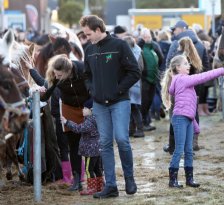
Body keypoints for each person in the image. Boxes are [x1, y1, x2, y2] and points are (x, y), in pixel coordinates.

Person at [79, 15, 140, 198]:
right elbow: (86, 75)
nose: (86, 37)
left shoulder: (119, 46)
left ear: (98, 30)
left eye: (88, 33)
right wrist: (92, 90)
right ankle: (111, 186)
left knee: (122, 139)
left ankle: (129, 179)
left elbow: (134, 72)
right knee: (104, 143)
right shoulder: (89, 50)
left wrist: (117, 90)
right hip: (99, 104)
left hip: (120, 101)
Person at [161, 55, 224, 188]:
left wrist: (194, 124)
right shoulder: (183, 80)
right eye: (185, 64)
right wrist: (222, 71)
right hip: (180, 119)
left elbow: (189, 108)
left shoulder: (183, 82)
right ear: (178, 68)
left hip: (187, 119)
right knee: (179, 149)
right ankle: (172, 180)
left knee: (189, 150)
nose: (189, 66)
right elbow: (203, 77)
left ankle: (189, 179)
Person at [39, 54, 90, 191]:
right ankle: (77, 180)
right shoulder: (55, 74)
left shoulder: (83, 68)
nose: (57, 78)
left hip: (87, 108)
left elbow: (94, 88)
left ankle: (95, 178)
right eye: (55, 74)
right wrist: (41, 92)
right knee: (73, 145)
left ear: (68, 72)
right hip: (69, 108)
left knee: (92, 142)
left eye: (60, 75)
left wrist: (90, 106)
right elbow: (48, 93)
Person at [61, 99, 103, 195]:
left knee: (89, 169)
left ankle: (91, 188)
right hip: (97, 150)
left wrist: (67, 122)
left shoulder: (90, 122)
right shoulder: (96, 119)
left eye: (85, 108)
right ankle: (100, 186)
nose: (82, 110)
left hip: (90, 151)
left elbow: (78, 128)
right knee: (97, 169)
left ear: (91, 110)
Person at [137, 28, 164, 131]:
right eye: (144, 37)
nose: (146, 39)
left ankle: (146, 122)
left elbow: (161, 58)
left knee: (149, 101)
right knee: (143, 102)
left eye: (148, 37)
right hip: (143, 79)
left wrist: (156, 70)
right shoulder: (139, 46)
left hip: (153, 78)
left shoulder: (155, 45)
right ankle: (142, 124)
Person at [123, 35, 145, 138]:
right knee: (131, 107)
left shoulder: (136, 53)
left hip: (133, 84)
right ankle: (132, 130)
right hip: (133, 83)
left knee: (134, 107)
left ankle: (140, 129)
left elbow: (140, 69)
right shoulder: (137, 52)